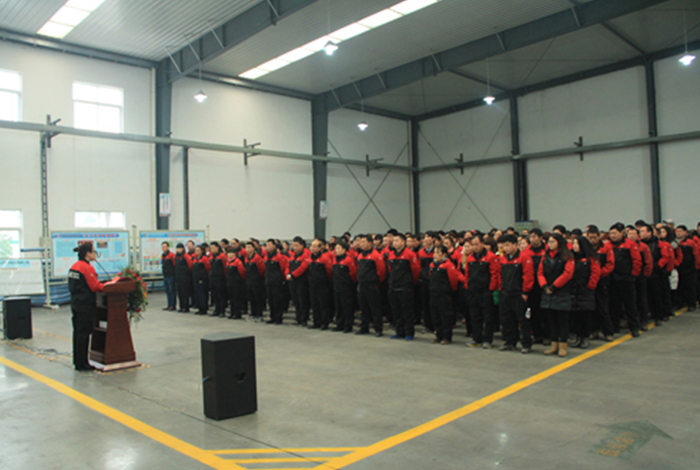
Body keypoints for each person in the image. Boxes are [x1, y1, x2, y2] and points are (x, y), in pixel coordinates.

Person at [68, 242, 106, 371]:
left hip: (76, 304)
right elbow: (95, 286)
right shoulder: (86, 268)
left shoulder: (74, 267)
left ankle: (78, 361)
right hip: (85, 306)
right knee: (84, 334)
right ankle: (83, 364)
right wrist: (107, 286)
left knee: (78, 333)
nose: (95, 254)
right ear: (87, 254)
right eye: (94, 252)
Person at [538, 233, 575, 357]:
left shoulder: (567, 256)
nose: (550, 244)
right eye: (549, 242)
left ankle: (563, 345)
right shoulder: (545, 256)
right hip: (547, 291)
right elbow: (540, 272)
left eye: (552, 241)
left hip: (561, 291)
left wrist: (554, 286)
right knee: (551, 320)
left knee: (562, 320)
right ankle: (554, 345)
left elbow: (567, 274)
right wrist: (544, 286)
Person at [497, 234, 535, 354]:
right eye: (504, 246)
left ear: (515, 244)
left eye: (508, 245)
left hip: (518, 293)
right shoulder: (503, 259)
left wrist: (525, 292)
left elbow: (528, 276)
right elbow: (499, 275)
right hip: (505, 293)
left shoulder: (524, 257)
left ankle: (526, 343)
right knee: (507, 319)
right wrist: (501, 289)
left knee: (523, 320)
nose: (506, 248)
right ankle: (510, 341)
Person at [464, 233, 501, 349]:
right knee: (475, 316)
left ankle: (487, 340)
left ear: (483, 244)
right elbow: (467, 273)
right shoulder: (470, 257)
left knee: (488, 317)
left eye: (477, 244)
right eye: (473, 244)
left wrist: (491, 289)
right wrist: (467, 285)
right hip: (472, 291)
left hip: (485, 291)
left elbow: (494, 274)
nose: (475, 247)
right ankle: (477, 338)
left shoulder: (491, 257)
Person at [608, 222, 642, 337]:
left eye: (615, 233)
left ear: (622, 233)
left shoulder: (630, 244)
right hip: (612, 279)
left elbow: (637, 261)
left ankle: (634, 327)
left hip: (626, 279)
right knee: (614, 304)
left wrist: (633, 276)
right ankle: (614, 326)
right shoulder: (608, 245)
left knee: (630, 304)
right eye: (611, 233)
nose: (612, 236)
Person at [387, 233, 421, 340]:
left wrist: (409, 282)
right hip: (393, 285)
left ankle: (409, 332)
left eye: (397, 240)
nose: (395, 243)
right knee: (396, 310)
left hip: (405, 286)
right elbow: (390, 269)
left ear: (403, 242)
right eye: (394, 241)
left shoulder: (410, 254)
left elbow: (416, 270)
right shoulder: (391, 254)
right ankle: (399, 332)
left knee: (407, 311)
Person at [570, 236, 601, 349]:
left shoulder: (591, 258)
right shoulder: (571, 258)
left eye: (577, 244)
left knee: (585, 315)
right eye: (573, 244)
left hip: (585, 290)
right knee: (575, 315)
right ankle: (578, 336)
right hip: (573, 290)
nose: (574, 246)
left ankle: (585, 337)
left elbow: (596, 272)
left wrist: (590, 286)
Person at [585, 225, 615, 342]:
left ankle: (608, 332)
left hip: (603, 281)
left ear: (599, 237)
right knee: (591, 308)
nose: (592, 240)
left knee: (603, 308)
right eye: (590, 238)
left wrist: (598, 273)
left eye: (594, 237)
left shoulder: (606, 248)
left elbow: (610, 265)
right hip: (589, 282)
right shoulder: (586, 249)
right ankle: (593, 331)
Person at [640, 224, 673, 326]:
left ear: (649, 232)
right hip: (644, 272)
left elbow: (665, 257)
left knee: (657, 295)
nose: (641, 233)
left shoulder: (659, 243)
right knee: (647, 296)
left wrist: (657, 266)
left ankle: (659, 315)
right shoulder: (639, 244)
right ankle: (651, 313)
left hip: (656, 273)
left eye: (643, 231)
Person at [428, 245, 463, 345]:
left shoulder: (448, 265)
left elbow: (453, 280)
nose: (435, 255)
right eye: (434, 252)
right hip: (433, 293)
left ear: (444, 254)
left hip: (444, 294)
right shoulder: (432, 265)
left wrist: (449, 291)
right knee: (435, 315)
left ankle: (447, 336)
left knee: (445, 316)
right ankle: (438, 335)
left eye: (437, 253)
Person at [356, 234, 386, 337]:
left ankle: (378, 329)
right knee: (364, 308)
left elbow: (381, 271)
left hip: (372, 285)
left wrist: (375, 281)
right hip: (362, 284)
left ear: (370, 243)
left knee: (375, 308)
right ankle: (364, 327)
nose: (361, 244)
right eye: (360, 242)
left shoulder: (376, 255)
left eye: (363, 242)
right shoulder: (360, 255)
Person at [524, 229, 549, 345]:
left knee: (546, 312)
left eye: (534, 237)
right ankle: (537, 334)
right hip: (532, 286)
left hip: (545, 285)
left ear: (540, 237)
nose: (532, 239)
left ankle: (548, 335)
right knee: (534, 311)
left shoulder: (547, 250)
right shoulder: (526, 252)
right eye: (530, 237)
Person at [627, 226, 653, 330]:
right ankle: (633, 321)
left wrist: (645, 275)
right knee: (631, 301)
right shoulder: (625, 246)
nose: (631, 236)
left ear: (638, 235)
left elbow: (648, 262)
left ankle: (643, 320)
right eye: (629, 234)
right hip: (628, 277)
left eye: (633, 234)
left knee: (642, 300)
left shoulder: (643, 247)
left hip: (640, 277)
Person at [307, 239, 334, 330]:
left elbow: (329, 270)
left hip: (322, 284)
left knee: (323, 304)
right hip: (312, 284)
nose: (312, 248)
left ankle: (324, 323)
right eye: (311, 246)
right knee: (314, 304)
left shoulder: (324, 258)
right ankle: (316, 322)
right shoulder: (310, 258)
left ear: (320, 248)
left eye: (314, 246)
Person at [332, 240, 358, 333]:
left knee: (347, 307)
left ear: (344, 249)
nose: (336, 250)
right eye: (336, 248)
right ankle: (340, 324)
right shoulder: (334, 259)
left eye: (338, 248)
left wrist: (349, 283)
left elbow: (353, 273)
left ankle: (348, 325)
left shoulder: (348, 260)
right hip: (336, 286)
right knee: (338, 307)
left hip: (346, 287)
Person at [287, 236, 311, 326]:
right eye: (293, 245)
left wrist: (293, 275)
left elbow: (303, 267)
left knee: (302, 301)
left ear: (302, 245)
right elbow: (287, 266)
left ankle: (304, 319)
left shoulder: (305, 255)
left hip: (301, 281)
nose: (294, 247)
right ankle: (298, 318)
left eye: (296, 245)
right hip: (292, 281)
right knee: (296, 300)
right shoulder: (292, 255)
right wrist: (287, 274)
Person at [264, 239, 289, 324]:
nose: (268, 247)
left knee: (277, 300)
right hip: (269, 280)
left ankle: (278, 317)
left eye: (270, 245)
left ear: (274, 246)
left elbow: (283, 268)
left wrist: (282, 279)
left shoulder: (279, 257)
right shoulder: (266, 257)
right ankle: (272, 316)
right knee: (270, 300)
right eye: (267, 245)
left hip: (277, 281)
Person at [675, 225, 699, 311]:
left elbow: (696, 255)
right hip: (678, 268)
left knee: (690, 287)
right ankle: (680, 303)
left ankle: (691, 304)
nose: (678, 233)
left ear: (686, 232)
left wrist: (696, 266)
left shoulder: (690, 242)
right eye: (677, 231)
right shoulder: (675, 243)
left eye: (680, 231)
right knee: (679, 287)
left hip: (690, 269)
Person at [417, 231, 438, 333]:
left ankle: (435, 325)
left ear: (433, 239)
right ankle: (427, 325)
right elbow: (418, 266)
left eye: (428, 237)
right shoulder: (421, 252)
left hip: (434, 281)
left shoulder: (437, 251)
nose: (426, 239)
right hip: (424, 280)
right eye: (425, 237)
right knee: (425, 303)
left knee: (434, 304)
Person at [244, 242, 266, 321]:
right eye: (246, 247)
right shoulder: (246, 258)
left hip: (256, 281)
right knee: (251, 298)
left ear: (254, 248)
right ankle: (253, 313)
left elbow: (262, 269)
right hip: (249, 280)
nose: (248, 249)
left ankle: (259, 314)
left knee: (258, 298)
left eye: (249, 247)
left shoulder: (257, 257)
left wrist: (258, 278)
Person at [208, 242, 228, 317]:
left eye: (213, 248)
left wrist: (224, 277)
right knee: (214, 294)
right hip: (213, 278)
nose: (212, 249)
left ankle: (222, 310)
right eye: (211, 248)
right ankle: (217, 309)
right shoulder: (211, 256)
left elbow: (225, 267)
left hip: (220, 278)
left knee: (221, 295)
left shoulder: (222, 256)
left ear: (217, 248)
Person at [225, 247, 246, 319]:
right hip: (229, 282)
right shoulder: (227, 261)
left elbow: (242, 271)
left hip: (236, 282)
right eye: (228, 253)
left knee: (236, 298)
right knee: (231, 298)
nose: (229, 255)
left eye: (231, 253)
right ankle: (232, 312)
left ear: (235, 254)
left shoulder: (237, 261)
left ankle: (237, 313)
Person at [192, 245, 211, 315]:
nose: (196, 252)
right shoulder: (195, 258)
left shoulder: (205, 258)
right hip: (196, 278)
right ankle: (199, 307)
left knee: (203, 293)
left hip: (202, 278)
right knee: (198, 293)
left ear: (202, 251)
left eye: (198, 250)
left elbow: (208, 268)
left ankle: (204, 308)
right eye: (196, 250)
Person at [174, 243, 193, 313]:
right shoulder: (176, 256)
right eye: (177, 248)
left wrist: (186, 272)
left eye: (180, 248)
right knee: (180, 292)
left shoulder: (185, 256)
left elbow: (190, 265)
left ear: (183, 249)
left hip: (185, 276)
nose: (178, 250)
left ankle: (186, 307)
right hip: (178, 276)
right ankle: (181, 306)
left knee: (185, 292)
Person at [160, 241, 177, 311]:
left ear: (168, 247)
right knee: (167, 291)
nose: (163, 248)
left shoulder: (171, 255)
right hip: (165, 275)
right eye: (162, 247)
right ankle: (169, 305)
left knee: (172, 290)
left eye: (164, 247)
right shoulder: (163, 255)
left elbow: (175, 264)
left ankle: (173, 305)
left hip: (171, 275)